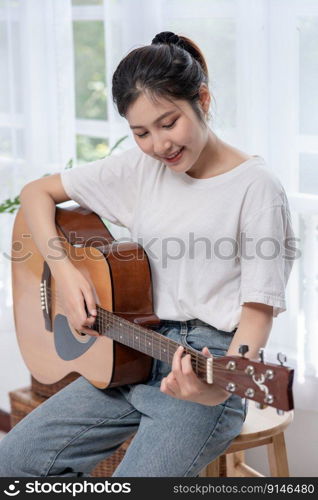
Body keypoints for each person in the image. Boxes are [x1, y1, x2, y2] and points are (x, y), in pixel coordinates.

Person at [0, 31, 296, 477]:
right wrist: (66, 271)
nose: (160, 144)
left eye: (169, 122)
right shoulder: (142, 167)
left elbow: (257, 313)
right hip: (129, 352)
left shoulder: (257, 189)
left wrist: (214, 390)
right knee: (15, 463)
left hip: (204, 365)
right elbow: (36, 192)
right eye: (140, 132)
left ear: (203, 99)